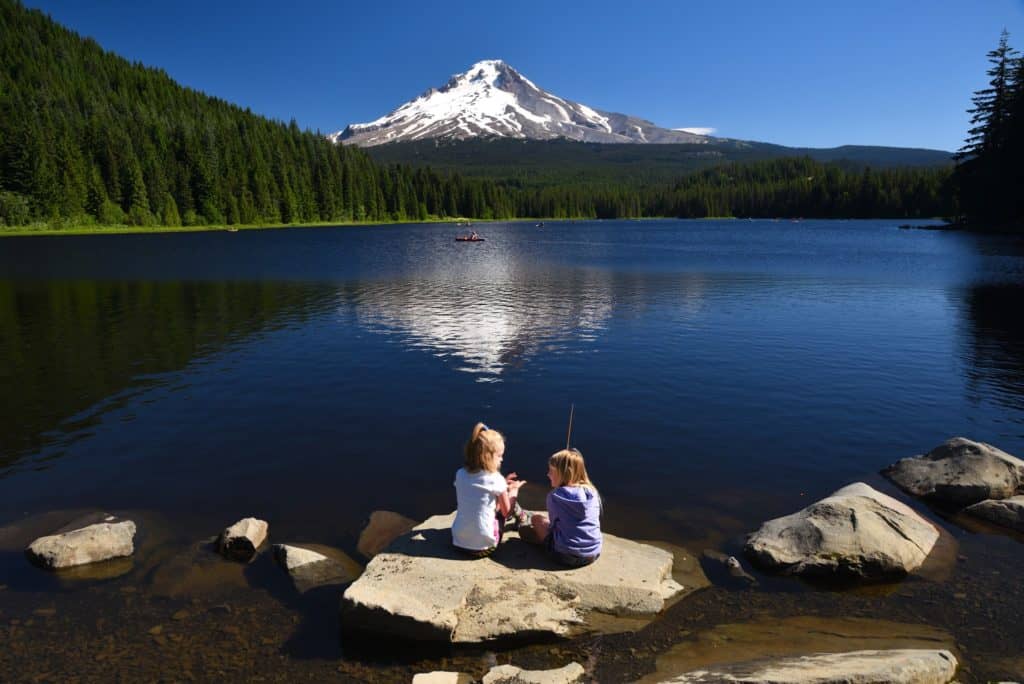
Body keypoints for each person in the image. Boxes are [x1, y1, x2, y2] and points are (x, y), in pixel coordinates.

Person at [452, 422, 526, 557]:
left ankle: (520, 517)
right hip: (485, 547)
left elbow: (477, 492)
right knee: (509, 506)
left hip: (458, 542)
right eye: (499, 455)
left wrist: (502, 484)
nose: (502, 459)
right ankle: (522, 518)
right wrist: (513, 491)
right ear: (487, 456)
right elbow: (506, 512)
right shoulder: (495, 478)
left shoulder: (460, 473)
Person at [522, 448, 602, 567]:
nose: (548, 474)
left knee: (536, 519)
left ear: (566, 473)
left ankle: (537, 539)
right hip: (593, 555)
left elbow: (553, 526)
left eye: (551, 471)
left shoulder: (554, 496)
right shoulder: (592, 492)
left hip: (564, 556)